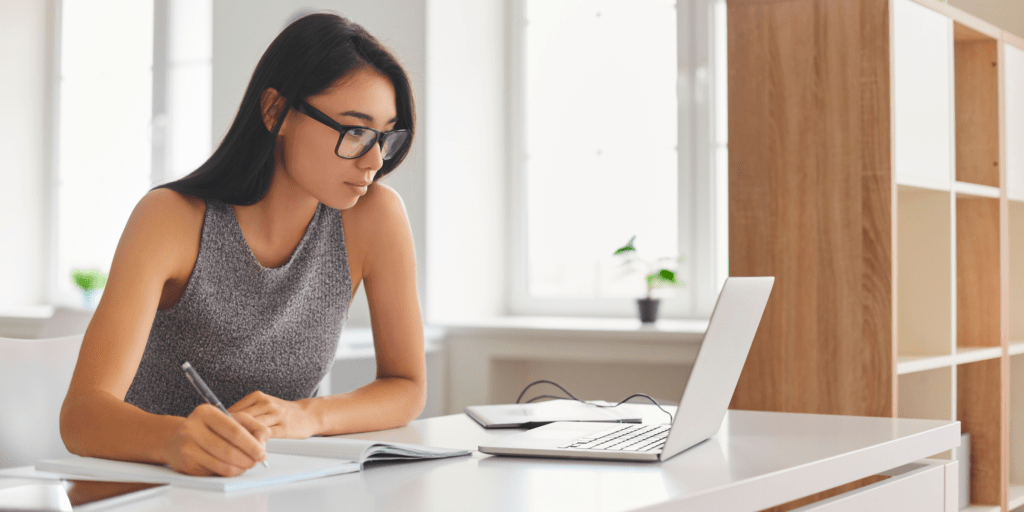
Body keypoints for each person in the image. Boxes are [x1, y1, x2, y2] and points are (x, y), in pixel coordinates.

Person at [59, 12, 425, 477]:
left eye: (384, 136)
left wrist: (308, 415)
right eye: (354, 131)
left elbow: (407, 385)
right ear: (276, 111)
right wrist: (175, 439)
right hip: (144, 487)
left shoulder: (375, 217)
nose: (374, 159)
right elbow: (81, 417)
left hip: (268, 485)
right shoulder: (171, 218)